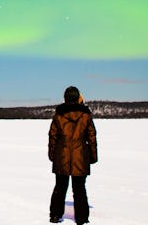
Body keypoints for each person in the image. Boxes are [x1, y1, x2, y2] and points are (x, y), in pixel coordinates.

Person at [48, 86, 97, 223]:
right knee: (79, 188)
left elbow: (52, 137)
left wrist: (53, 155)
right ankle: (81, 218)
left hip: (61, 156)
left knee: (60, 187)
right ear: (78, 98)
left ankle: (55, 215)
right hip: (80, 157)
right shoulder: (86, 116)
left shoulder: (58, 116)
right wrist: (93, 156)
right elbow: (92, 137)